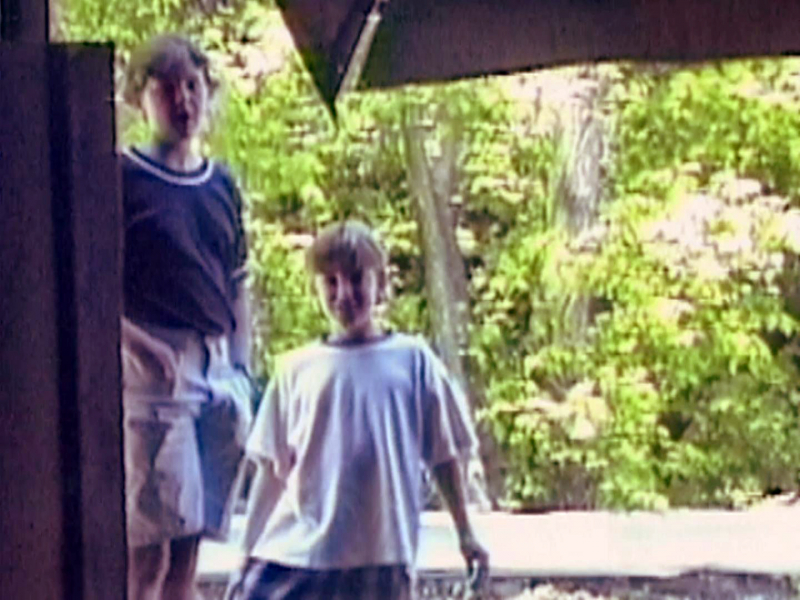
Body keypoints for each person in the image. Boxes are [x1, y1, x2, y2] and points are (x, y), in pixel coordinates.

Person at [228, 220, 489, 599]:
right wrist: (246, 553)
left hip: (381, 554)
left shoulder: (412, 361)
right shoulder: (296, 369)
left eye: (355, 279)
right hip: (303, 555)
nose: (344, 294)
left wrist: (465, 532)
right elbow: (272, 470)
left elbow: (444, 454)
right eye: (330, 282)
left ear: (380, 283)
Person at [120, 34, 253, 600]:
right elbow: (91, 283)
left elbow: (239, 280)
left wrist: (242, 365)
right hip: (153, 377)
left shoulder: (221, 183)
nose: (182, 101)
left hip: (217, 370)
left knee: (190, 551)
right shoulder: (121, 177)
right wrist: (139, 348)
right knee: (148, 552)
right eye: (166, 89)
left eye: (192, 86)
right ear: (140, 100)